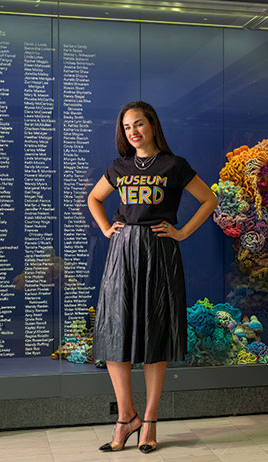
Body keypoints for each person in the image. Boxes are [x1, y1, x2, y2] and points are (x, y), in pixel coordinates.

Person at [87, 101, 217, 453]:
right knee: (116, 332)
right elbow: (94, 199)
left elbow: (209, 199)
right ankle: (125, 416)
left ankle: (150, 420)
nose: (133, 132)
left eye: (139, 124)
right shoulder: (119, 166)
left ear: (153, 125)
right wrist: (106, 229)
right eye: (127, 127)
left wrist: (182, 232)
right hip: (122, 252)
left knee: (154, 336)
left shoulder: (174, 166)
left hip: (158, 253)